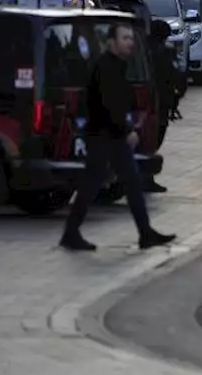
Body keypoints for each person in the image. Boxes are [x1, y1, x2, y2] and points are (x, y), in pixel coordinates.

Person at [61, 23, 176, 252]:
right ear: (112, 42)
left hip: (112, 136)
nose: (130, 42)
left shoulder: (118, 66)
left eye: (131, 38)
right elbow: (108, 105)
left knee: (131, 182)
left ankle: (145, 233)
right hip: (103, 136)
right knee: (93, 184)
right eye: (125, 38)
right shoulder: (106, 67)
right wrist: (127, 130)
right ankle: (71, 233)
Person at [146, 19, 178, 193]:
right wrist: (176, 97)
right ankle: (146, 177)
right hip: (159, 102)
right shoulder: (163, 53)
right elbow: (174, 76)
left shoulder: (141, 50)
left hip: (145, 101)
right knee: (154, 139)